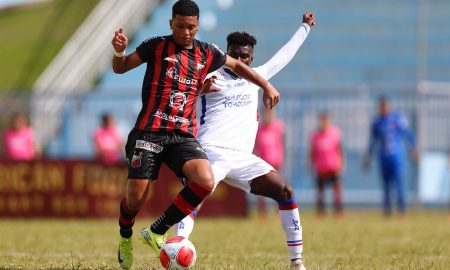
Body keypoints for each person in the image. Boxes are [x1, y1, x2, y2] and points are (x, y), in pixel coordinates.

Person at [111, 1, 280, 269]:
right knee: (134, 201)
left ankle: (156, 231)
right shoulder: (156, 46)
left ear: (198, 26)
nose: (186, 32)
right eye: (180, 26)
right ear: (170, 24)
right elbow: (120, 68)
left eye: (191, 27)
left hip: (182, 135)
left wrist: (266, 85)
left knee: (204, 180)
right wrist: (119, 52)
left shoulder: (207, 52)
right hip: (149, 132)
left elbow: (238, 66)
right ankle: (124, 235)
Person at [174, 12, 316, 270]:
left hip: (242, 157)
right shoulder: (210, 75)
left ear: (251, 58)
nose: (239, 60)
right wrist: (197, 90)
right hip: (211, 152)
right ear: (227, 52)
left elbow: (286, 54)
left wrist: (304, 27)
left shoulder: (257, 76)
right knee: (196, 194)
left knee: (286, 191)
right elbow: (177, 93)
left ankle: (297, 262)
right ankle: (176, 246)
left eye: (244, 56)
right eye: (234, 54)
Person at [364, 96, 418, 218]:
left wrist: (414, 148)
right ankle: (387, 210)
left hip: (397, 157)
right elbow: (373, 141)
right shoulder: (377, 122)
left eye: (385, 105)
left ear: (389, 106)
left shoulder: (397, 118)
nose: (383, 108)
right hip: (383, 158)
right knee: (386, 185)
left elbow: (408, 134)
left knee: (399, 184)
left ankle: (401, 210)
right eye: (381, 106)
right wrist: (369, 155)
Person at [308, 112, 344, 217]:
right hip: (321, 167)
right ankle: (321, 212)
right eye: (322, 120)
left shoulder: (335, 133)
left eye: (325, 120)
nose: (323, 122)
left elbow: (340, 150)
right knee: (320, 192)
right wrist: (311, 164)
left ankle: (339, 212)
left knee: (337, 190)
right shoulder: (315, 136)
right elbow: (312, 152)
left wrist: (341, 164)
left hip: (333, 167)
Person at [254, 107, 286, 220]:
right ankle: (262, 213)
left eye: (270, 113)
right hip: (263, 163)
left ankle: (281, 213)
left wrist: (282, 158)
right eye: (266, 113)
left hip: (275, 162)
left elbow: (282, 144)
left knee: (279, 188)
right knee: (262, 189)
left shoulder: (278, 128)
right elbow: (256, 147)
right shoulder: (259, 129)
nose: (268, 116)